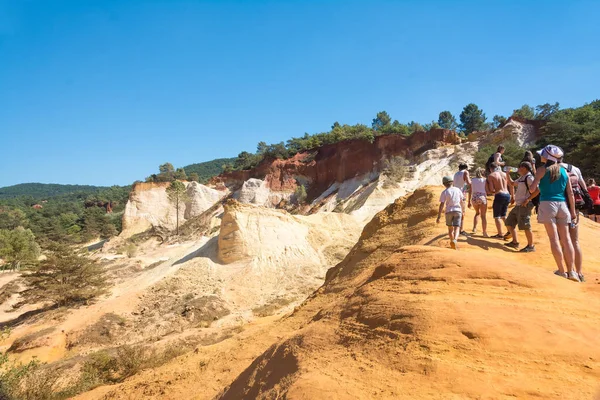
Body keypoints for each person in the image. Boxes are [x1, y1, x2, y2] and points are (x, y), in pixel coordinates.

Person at [529, 145, 579, 282]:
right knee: (567, 239)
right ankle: (572, 272)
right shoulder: (564, 171)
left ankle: (562, 271)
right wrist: (573, 212)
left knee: (554, 239)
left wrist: (538, 182)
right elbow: (570, 193)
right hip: (563, 206)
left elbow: (532, 190)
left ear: (546, 156)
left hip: (547, 204)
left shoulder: (541, 170)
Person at [560, 159, 589, 282]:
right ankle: (580, 272)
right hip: (575, 208)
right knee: (575, 241)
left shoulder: (553, 169)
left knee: (563, 240)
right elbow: (584, 188)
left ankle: (569, 270)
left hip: (561, 206)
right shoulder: (575, 169)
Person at [504, 162, 536, 252]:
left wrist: (528, 199)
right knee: (509, 222)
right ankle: (515, 242)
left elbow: (537, 189)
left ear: (524, 168)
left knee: (526, 225)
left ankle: (531, 246)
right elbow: (512, 183)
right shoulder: (522, 177)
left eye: (520, 167)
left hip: (524, 205)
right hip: (518, 205)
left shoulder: (529, 178)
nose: (518, 169)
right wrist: (507, 174)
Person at [486, 162, 513, 238]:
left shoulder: (491, 176)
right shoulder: (504, 174)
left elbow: (492, 190)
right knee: (504, 215)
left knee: (497, 216)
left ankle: (500, 234)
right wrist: (513, 196)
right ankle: (510, 231)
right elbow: (511, 185)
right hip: (507, 194)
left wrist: (489, 189)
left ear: (491, 169)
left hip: (499, 194)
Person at [437, 176, 465, 250]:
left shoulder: (444, 192)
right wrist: (463, 211)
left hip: (449, 211)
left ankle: (452, 241)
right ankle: (455, 240)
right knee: (457, 228)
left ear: (444, 184)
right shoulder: (458, 190)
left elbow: (442, 204)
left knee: (450, 229)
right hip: (458, 210)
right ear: (452, 182)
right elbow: (462, 201)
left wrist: (439, 216)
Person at [468, 167, 489, 237]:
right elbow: (487, 190)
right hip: (482, 197)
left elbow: (470, 190)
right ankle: (484, 232)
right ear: (483, 173)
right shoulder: (485, 180)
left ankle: (474, 228)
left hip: (474, 197)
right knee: (483, 216)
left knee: (477, 213)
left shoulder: (472, 180)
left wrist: (469, 201)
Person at [453, 163, 471, 236]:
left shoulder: (456, 174)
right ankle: (461, 230)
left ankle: (456, 228)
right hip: (461, 194)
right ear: (466, 168)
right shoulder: (465, 172)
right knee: (462, 212)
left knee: (456, 211)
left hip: (455, 193)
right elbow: (469, 182)